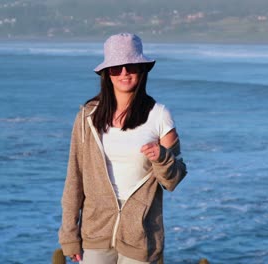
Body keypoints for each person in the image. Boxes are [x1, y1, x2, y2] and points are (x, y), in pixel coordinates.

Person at [59, 33, 187, 264]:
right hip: (95, 231)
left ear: (142, 69)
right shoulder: (88, 116)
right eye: (116, 68)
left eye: (131, 66)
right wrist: (69, 234)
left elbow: (173, 180)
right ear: (106, 73)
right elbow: (74, 179)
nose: (124, 73)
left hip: (142, 234)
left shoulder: (159, 116)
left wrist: (162, 157)